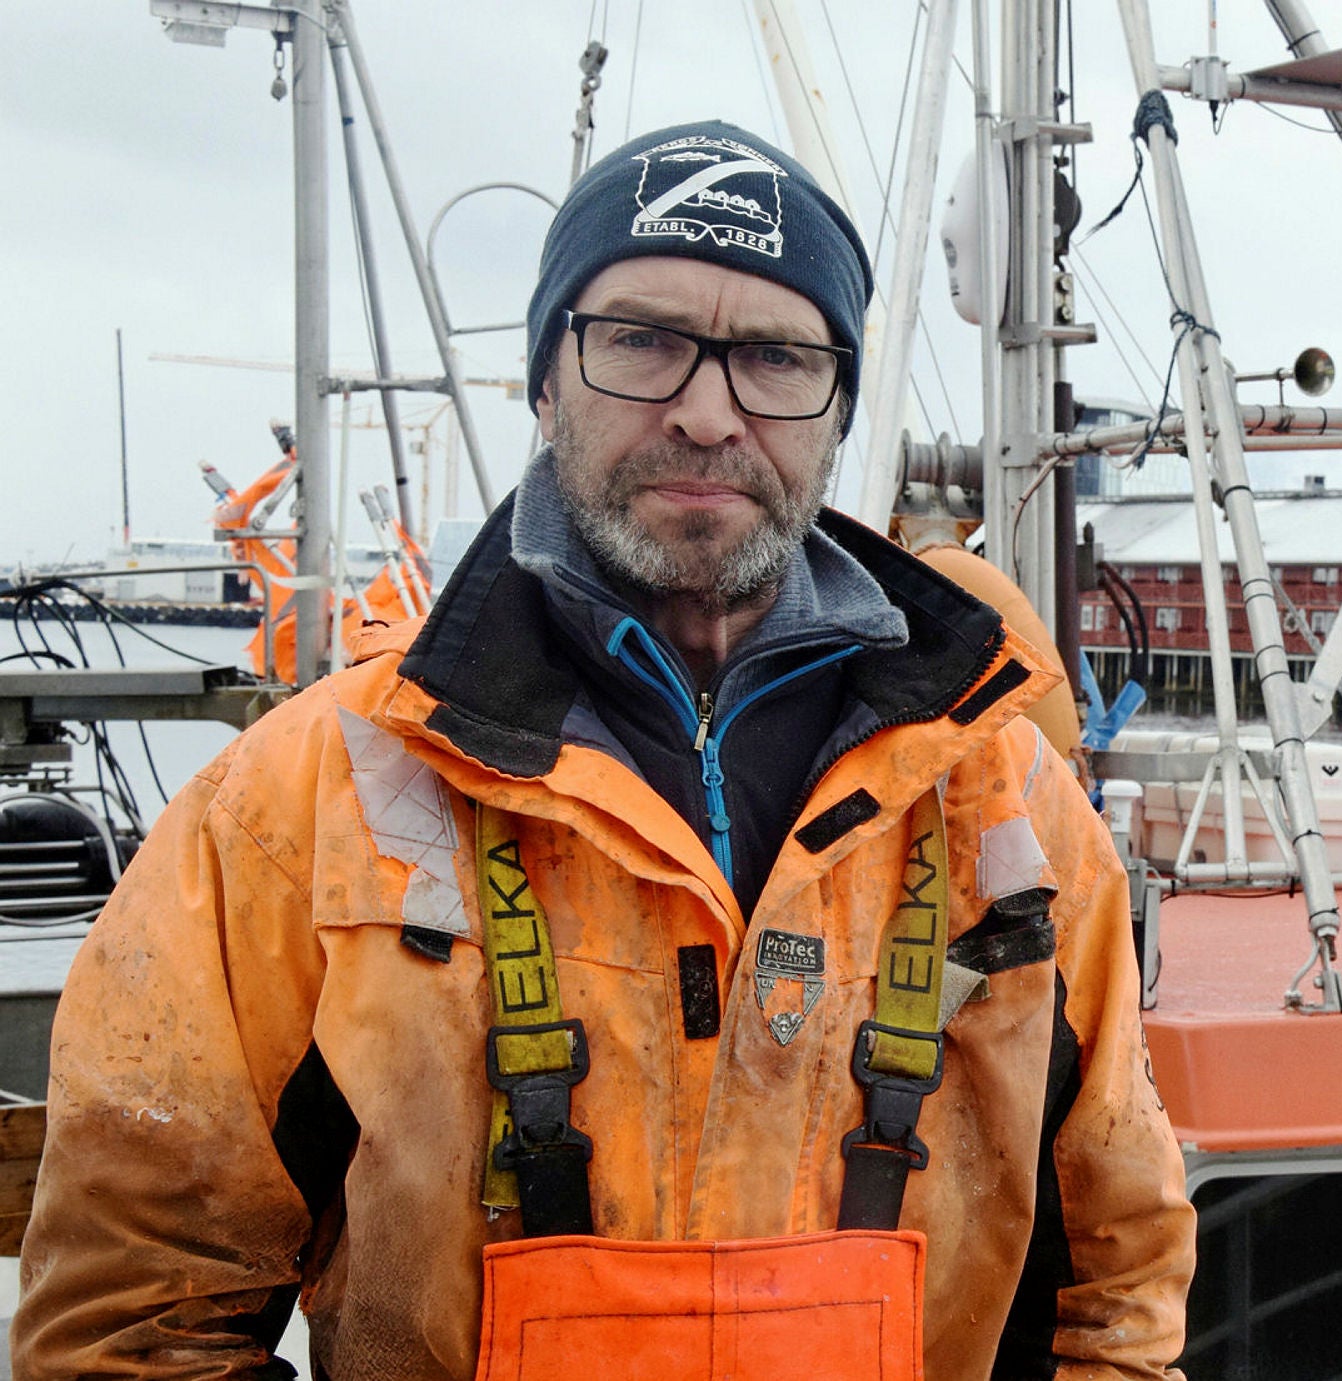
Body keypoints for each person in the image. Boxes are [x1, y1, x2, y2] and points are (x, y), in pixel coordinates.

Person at [14, 120, 1194, 1381]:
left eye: (776, 357)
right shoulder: (300, 804)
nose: (706, 412)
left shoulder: (1005, 807)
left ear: (839, 408)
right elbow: (133, 1324)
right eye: (641, 339)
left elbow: (1116, 1292)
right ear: (545, 381)